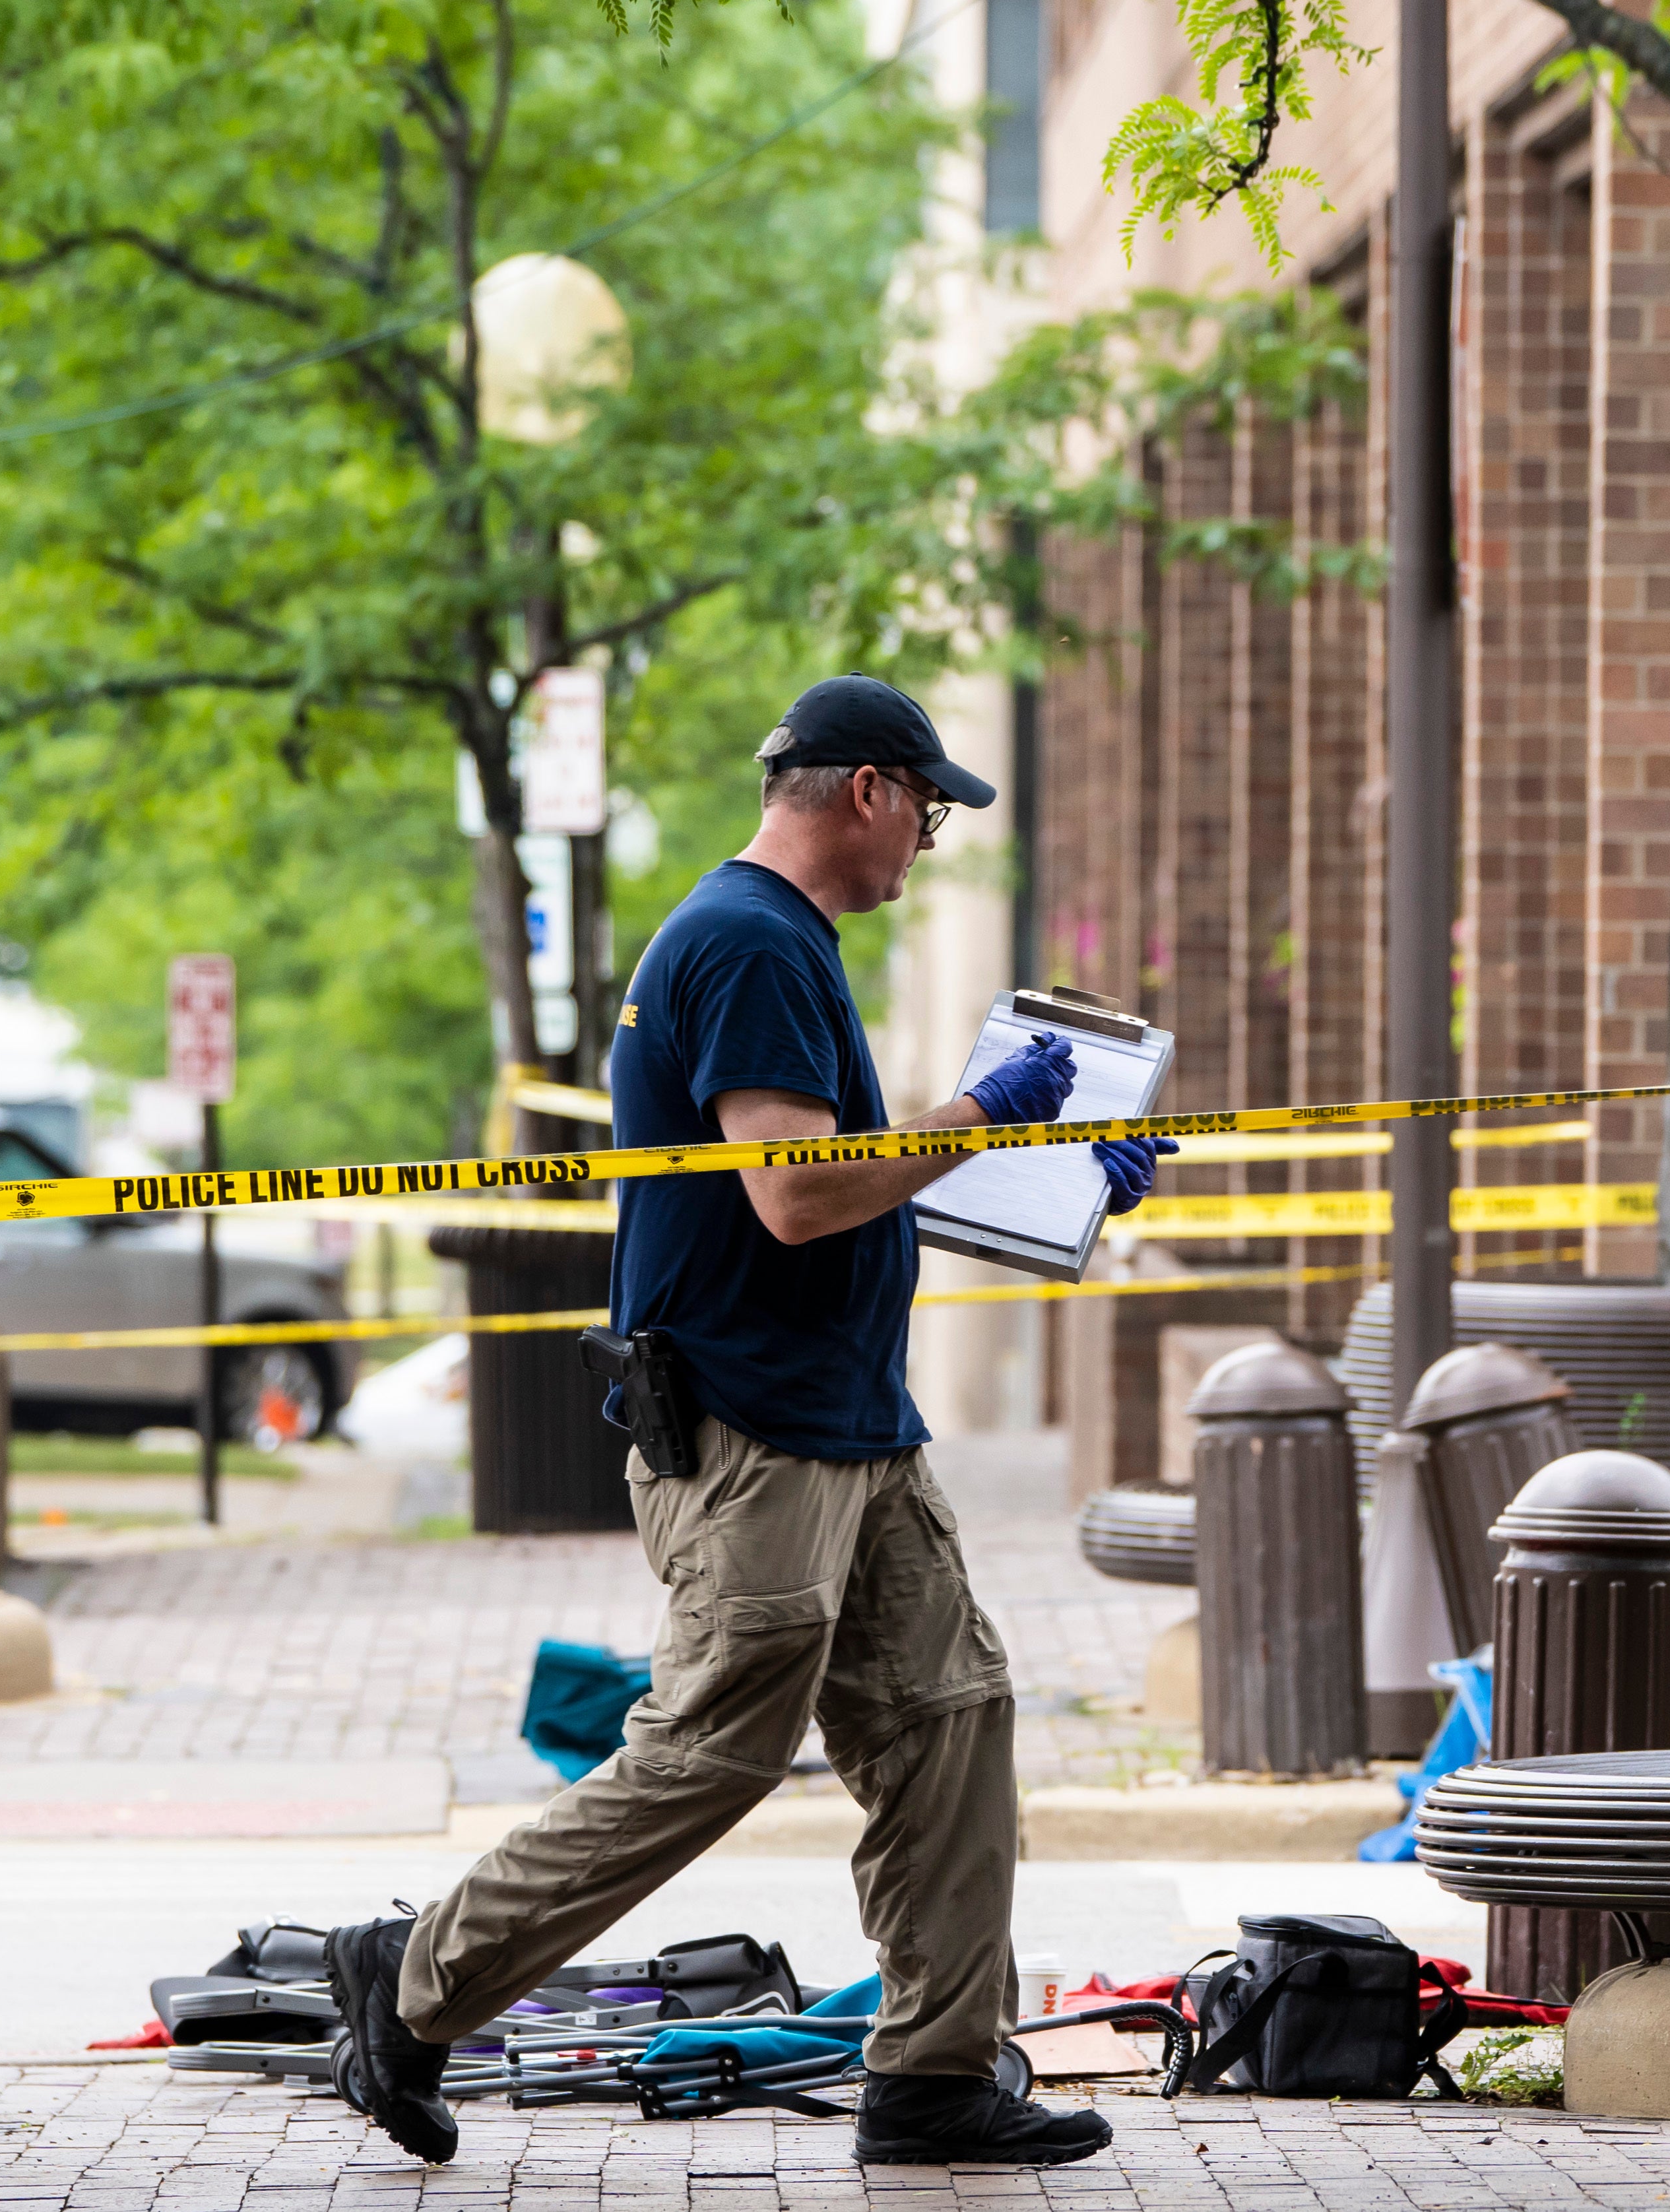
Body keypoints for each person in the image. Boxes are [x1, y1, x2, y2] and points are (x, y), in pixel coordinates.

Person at [320, 674, 1175, 2170]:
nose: (928, 840)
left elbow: (837, 1184)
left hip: (852, 1427)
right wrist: (978, 1118)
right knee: (713, 1752)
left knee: (948, 1724)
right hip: (759, 1437)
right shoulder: (749, 944)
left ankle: (932, 2078)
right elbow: (795, 1197)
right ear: (863, 792)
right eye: (925, 807)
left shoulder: (780, 946)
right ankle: (408, 1976)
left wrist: (1048, 1178)